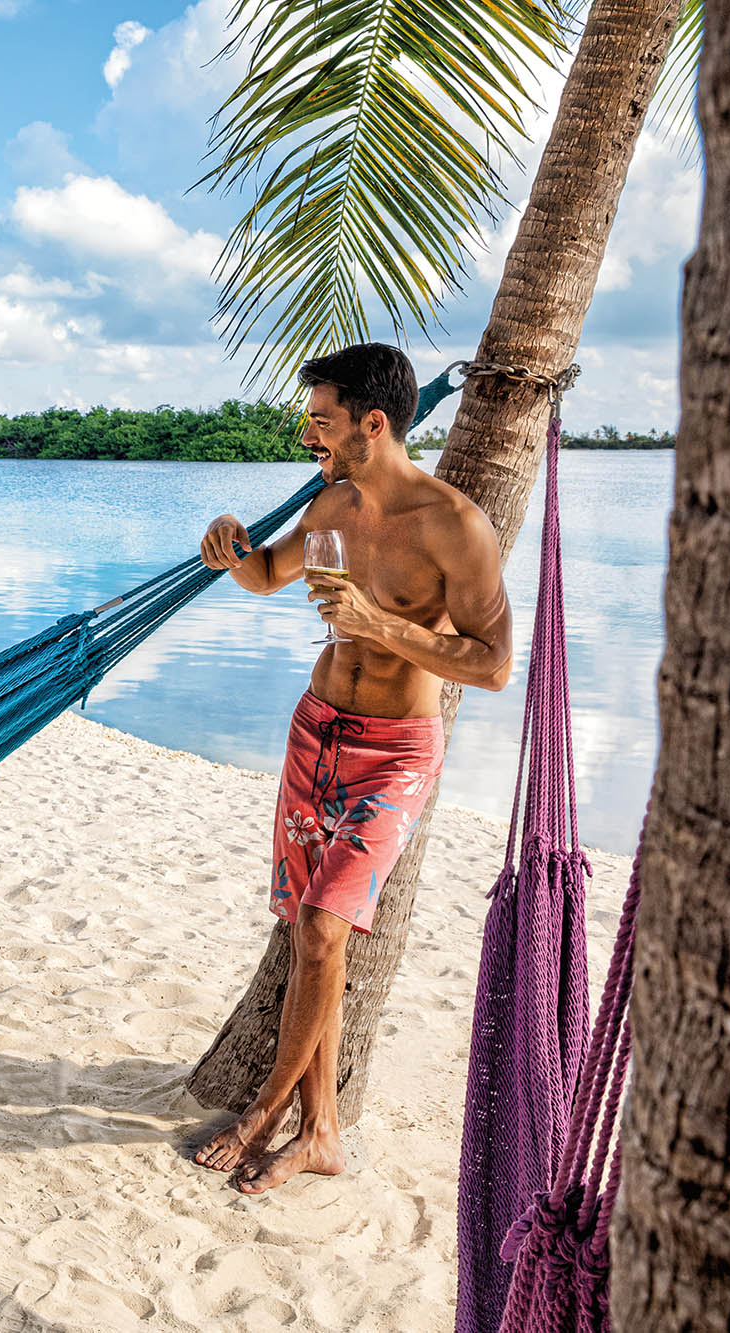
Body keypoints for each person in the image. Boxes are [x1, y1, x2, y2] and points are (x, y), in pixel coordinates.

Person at [190, 344, 514, 1193]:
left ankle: (266, 1109)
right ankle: (321, 1131)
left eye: (322, 421)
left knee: (325, 929)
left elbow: (493, 664)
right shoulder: (333, 502)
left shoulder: (455, 526)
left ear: (374, 423)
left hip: (395, 750)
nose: (309, 436)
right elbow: (268, 573)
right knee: (312, 934)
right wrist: (229, 544)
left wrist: (380, 625)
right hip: (317, 732)